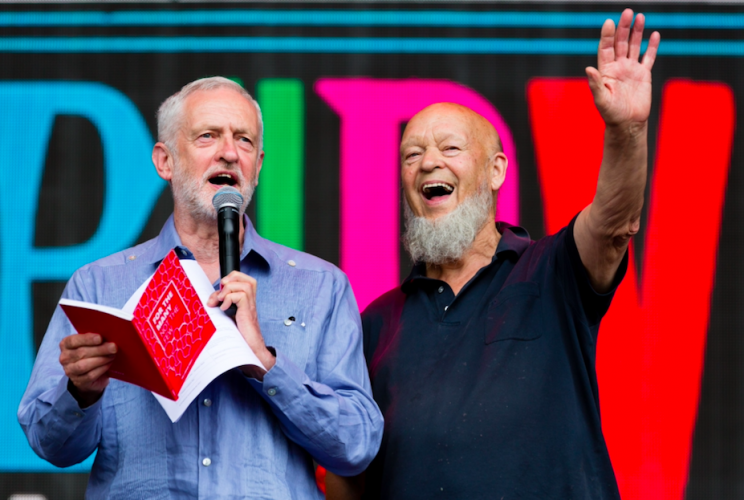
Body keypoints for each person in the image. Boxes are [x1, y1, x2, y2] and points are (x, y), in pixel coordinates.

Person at [326, 9, 660, 500]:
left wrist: (627, 131)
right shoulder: (377, 321)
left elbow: (613, 224)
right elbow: (349, 473)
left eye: (450, 148)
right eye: (411, 154)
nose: (428, 163)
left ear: (497, 170)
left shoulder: (551, 270)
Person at [18, 77, 383, 499]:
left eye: (244, 140)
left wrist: (264, 364)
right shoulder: (99, 284)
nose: (229, 151)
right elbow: (51, 446)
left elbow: (356, 446)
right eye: (208, 136)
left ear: (258, 166)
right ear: (165, 161)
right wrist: (80, 393)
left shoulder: (321, 286)